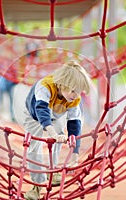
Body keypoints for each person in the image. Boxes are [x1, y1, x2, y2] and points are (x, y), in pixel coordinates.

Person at [23, 60, 92, 200]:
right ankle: (37, 185)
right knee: (32, 145)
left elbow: (74, 124)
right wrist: (52, 132)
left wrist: (75, 153)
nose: (75, 95)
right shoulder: (45, 86)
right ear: (62, 84)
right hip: (34, 114)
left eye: (78, 92)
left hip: (54, 115)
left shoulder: (74, 99)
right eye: (72, 90)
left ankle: (52, 171)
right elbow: (41, 110)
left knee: (59, 139)